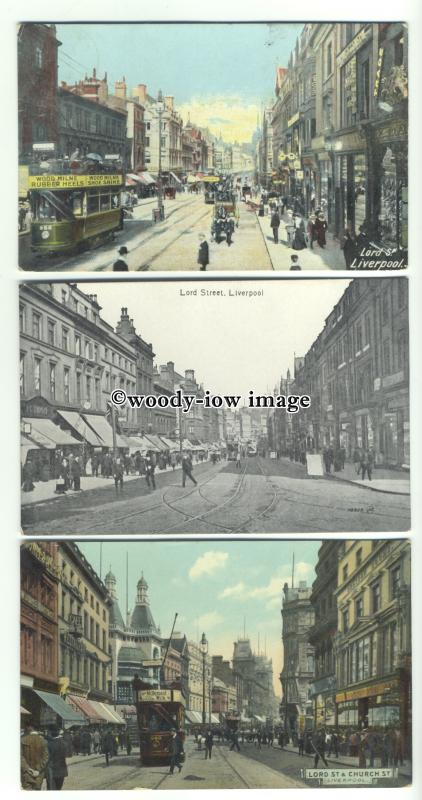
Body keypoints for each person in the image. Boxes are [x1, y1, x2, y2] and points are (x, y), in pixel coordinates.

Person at [21, 723, 49, 790]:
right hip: (39, 774)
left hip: (26, 773)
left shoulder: (22, 740)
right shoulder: (44, 741)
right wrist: (38, 770)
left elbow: (20, 757)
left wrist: (27, 769)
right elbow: (46, 758)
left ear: (30, 727)